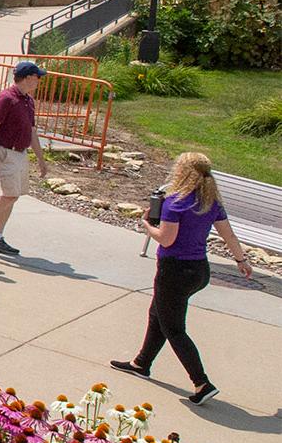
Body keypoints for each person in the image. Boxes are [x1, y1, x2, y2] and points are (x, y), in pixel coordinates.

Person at [110, 152, 256, 406]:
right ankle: (141, 363)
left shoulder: (175, 202)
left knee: (174, 328)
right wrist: (241, 261)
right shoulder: (209, 202)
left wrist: (146, 223)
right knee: (158, 314)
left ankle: (201, 383)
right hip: (199, 271)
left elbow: (166, 239)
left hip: (174, 272)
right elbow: (228, 235)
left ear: (181, 172)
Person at [0, 60, 49, 256]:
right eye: (38, 77)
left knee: (12, 197)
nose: (39, 80)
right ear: (29, 78)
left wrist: (40, 159)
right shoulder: (6, 98)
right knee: (10, 195)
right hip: (5, 151)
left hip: (20, 152)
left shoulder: (28, 100)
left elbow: (32, 132)